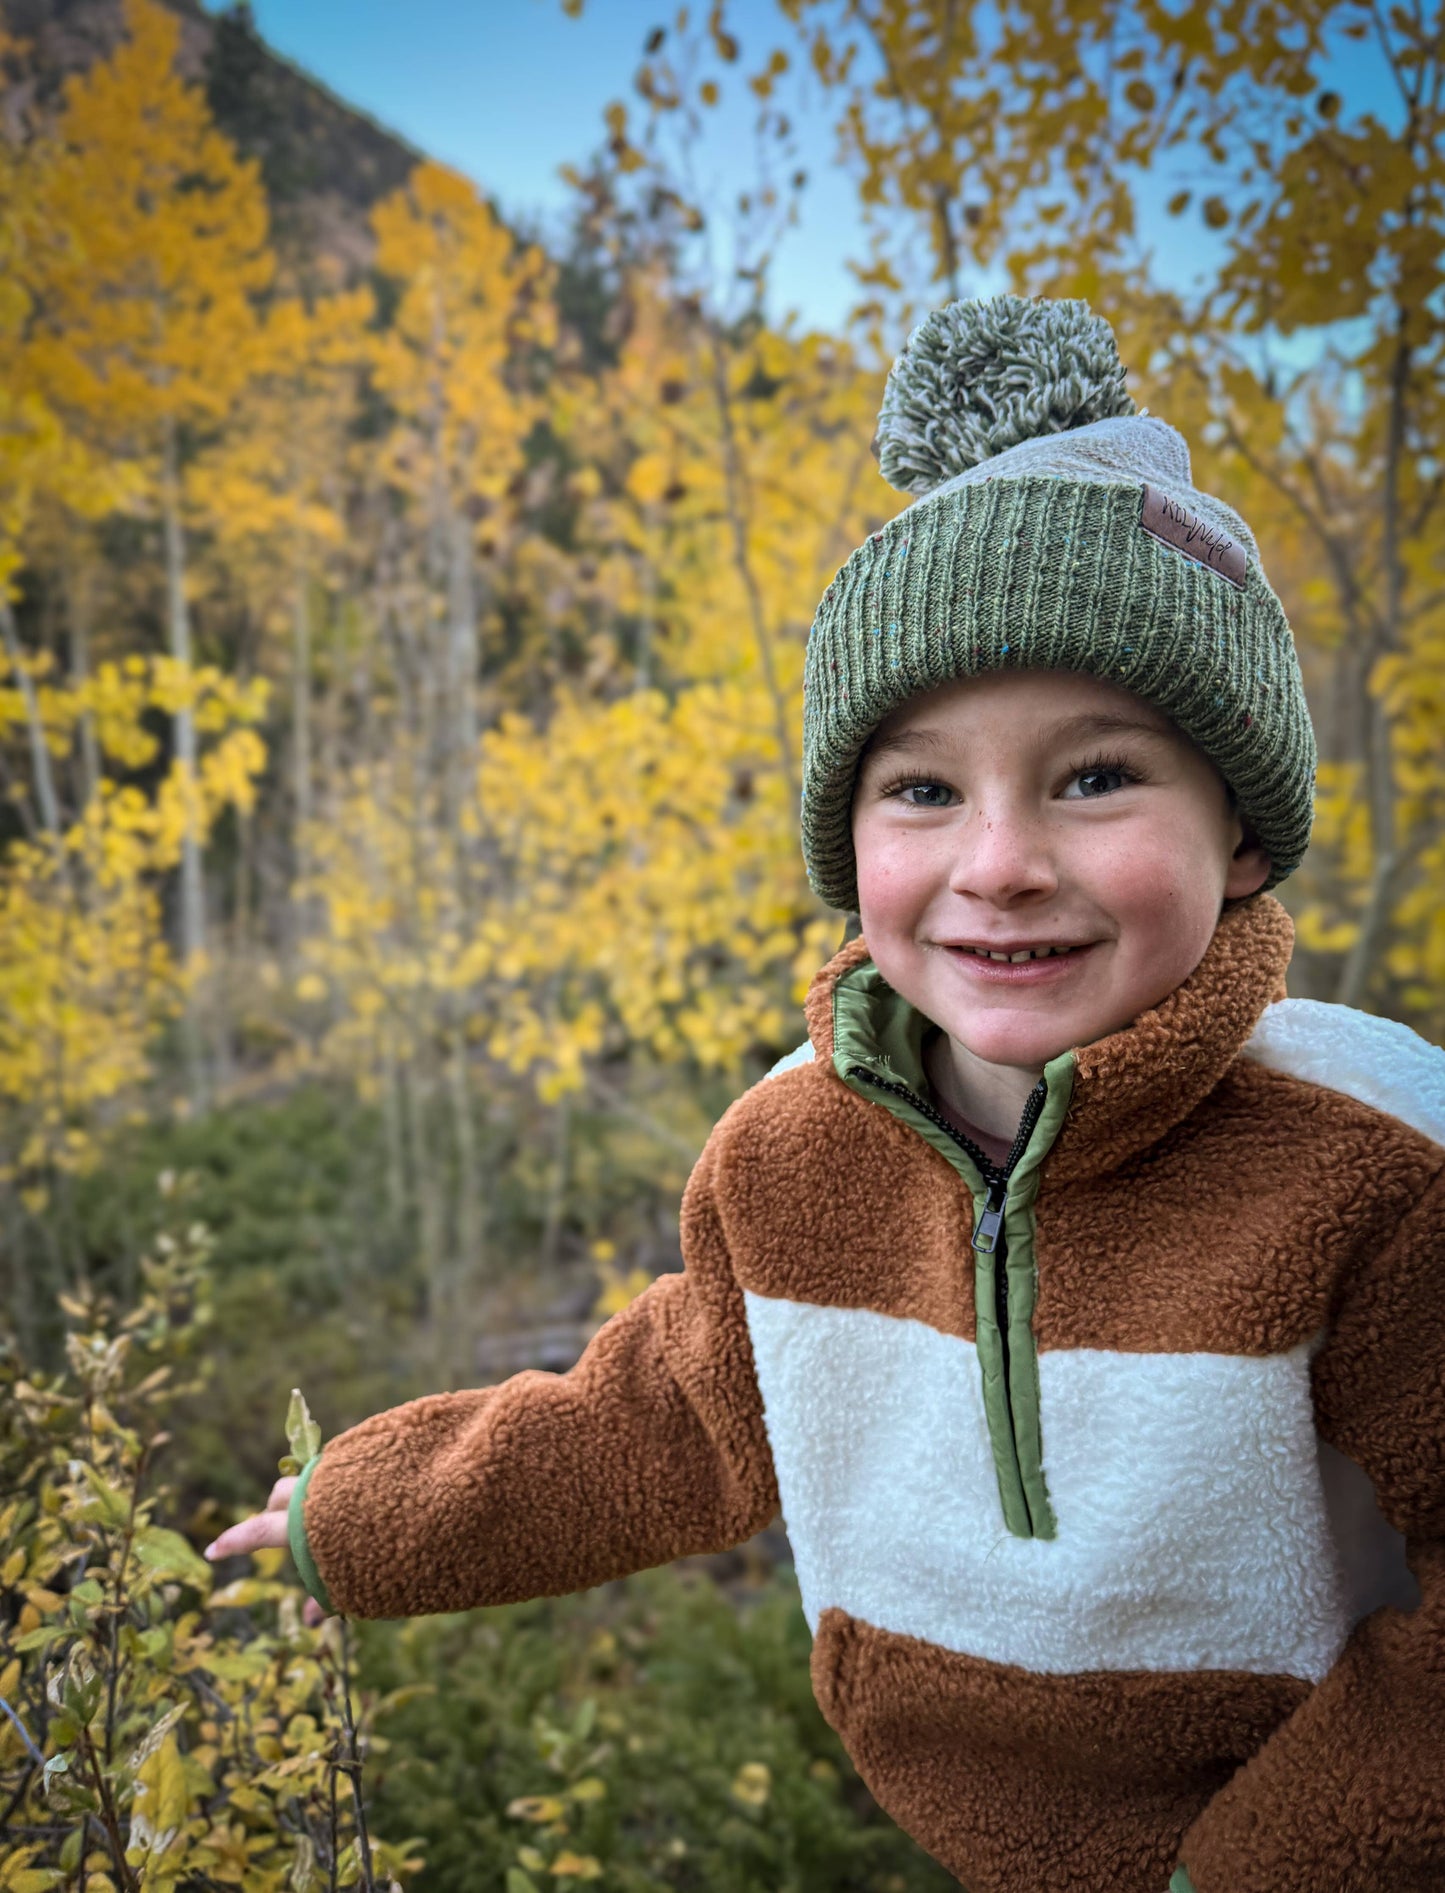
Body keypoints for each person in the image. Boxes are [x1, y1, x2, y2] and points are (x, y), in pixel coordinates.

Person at [205, 295, 1445, 1893]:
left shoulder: (1373, 1162)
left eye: (1094, 776)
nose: (998, 861)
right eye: (920, 788)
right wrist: (367, 1517)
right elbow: (666, 1416)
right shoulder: (792, 1152)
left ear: (1243, 832)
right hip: (973, 1843)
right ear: (847, 851)